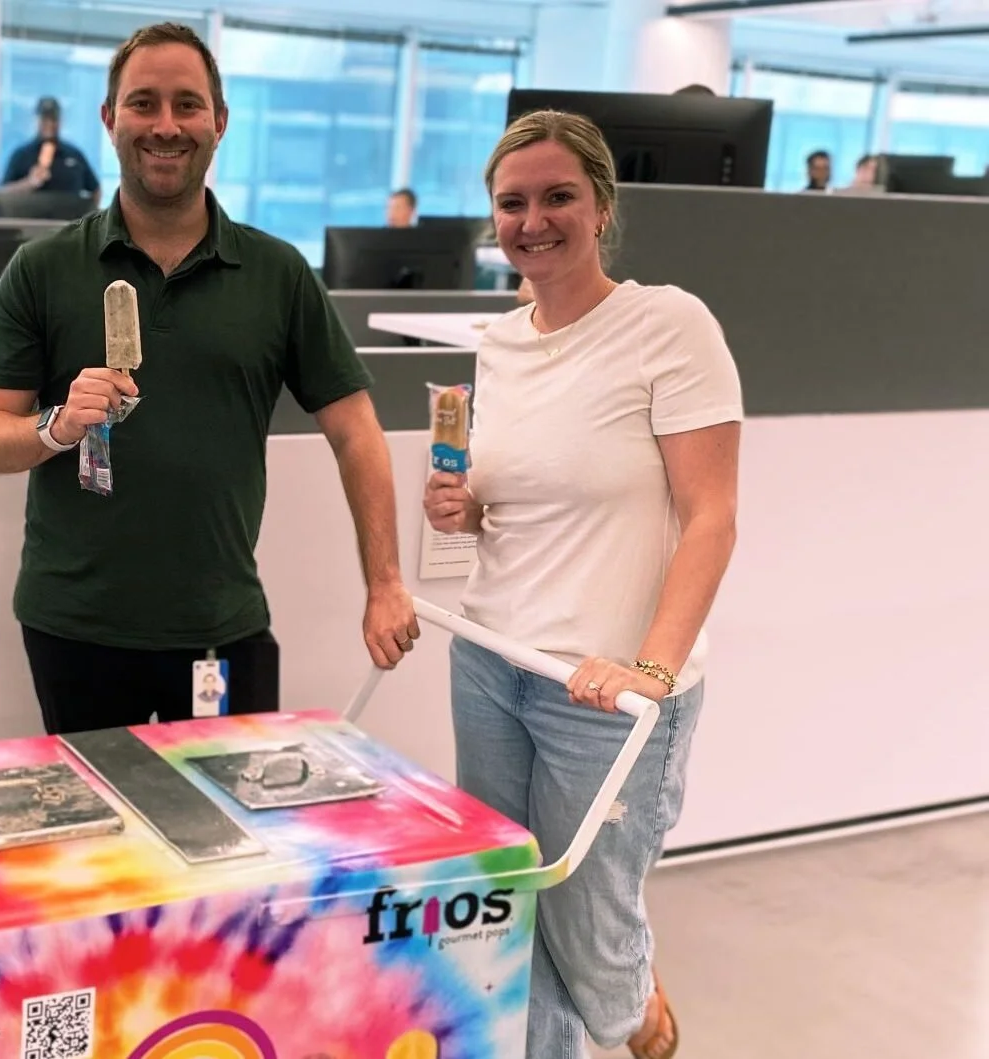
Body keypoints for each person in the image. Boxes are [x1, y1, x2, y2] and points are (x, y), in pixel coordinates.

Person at [0, 22, 417, 736]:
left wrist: (385, 582)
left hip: (221, 629)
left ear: (220, 122)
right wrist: (56, 424)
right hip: (75, 629)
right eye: (143, 103)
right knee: (97, 842)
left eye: (187, 104)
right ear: (110, 120)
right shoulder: (43, 270)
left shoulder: (277, 274)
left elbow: (356, 430)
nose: (165, 125)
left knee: (227, 840)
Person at [422, 108, 741, 1059]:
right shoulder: (499, 341)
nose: (533, 220)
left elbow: (712, 517)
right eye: (512, 203)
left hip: (606, 692)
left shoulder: (668, 324)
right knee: (512, 905)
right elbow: (528, 501)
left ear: (601, 207)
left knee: (590, 944)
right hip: (491, 656)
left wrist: (651, 667)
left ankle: (637, 1012)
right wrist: (467, 511)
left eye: (558, 196)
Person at [0, 96, 101, 204]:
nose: (49, 124)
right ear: (36, 120)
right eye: (44, 119)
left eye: (53, 119)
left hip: (69, 219)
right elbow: (2, 194)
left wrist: (89, 215)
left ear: (60, 121)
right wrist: (29, 183)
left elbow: (96, 190)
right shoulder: (21, 155)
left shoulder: (75, 155)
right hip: (32, 219)